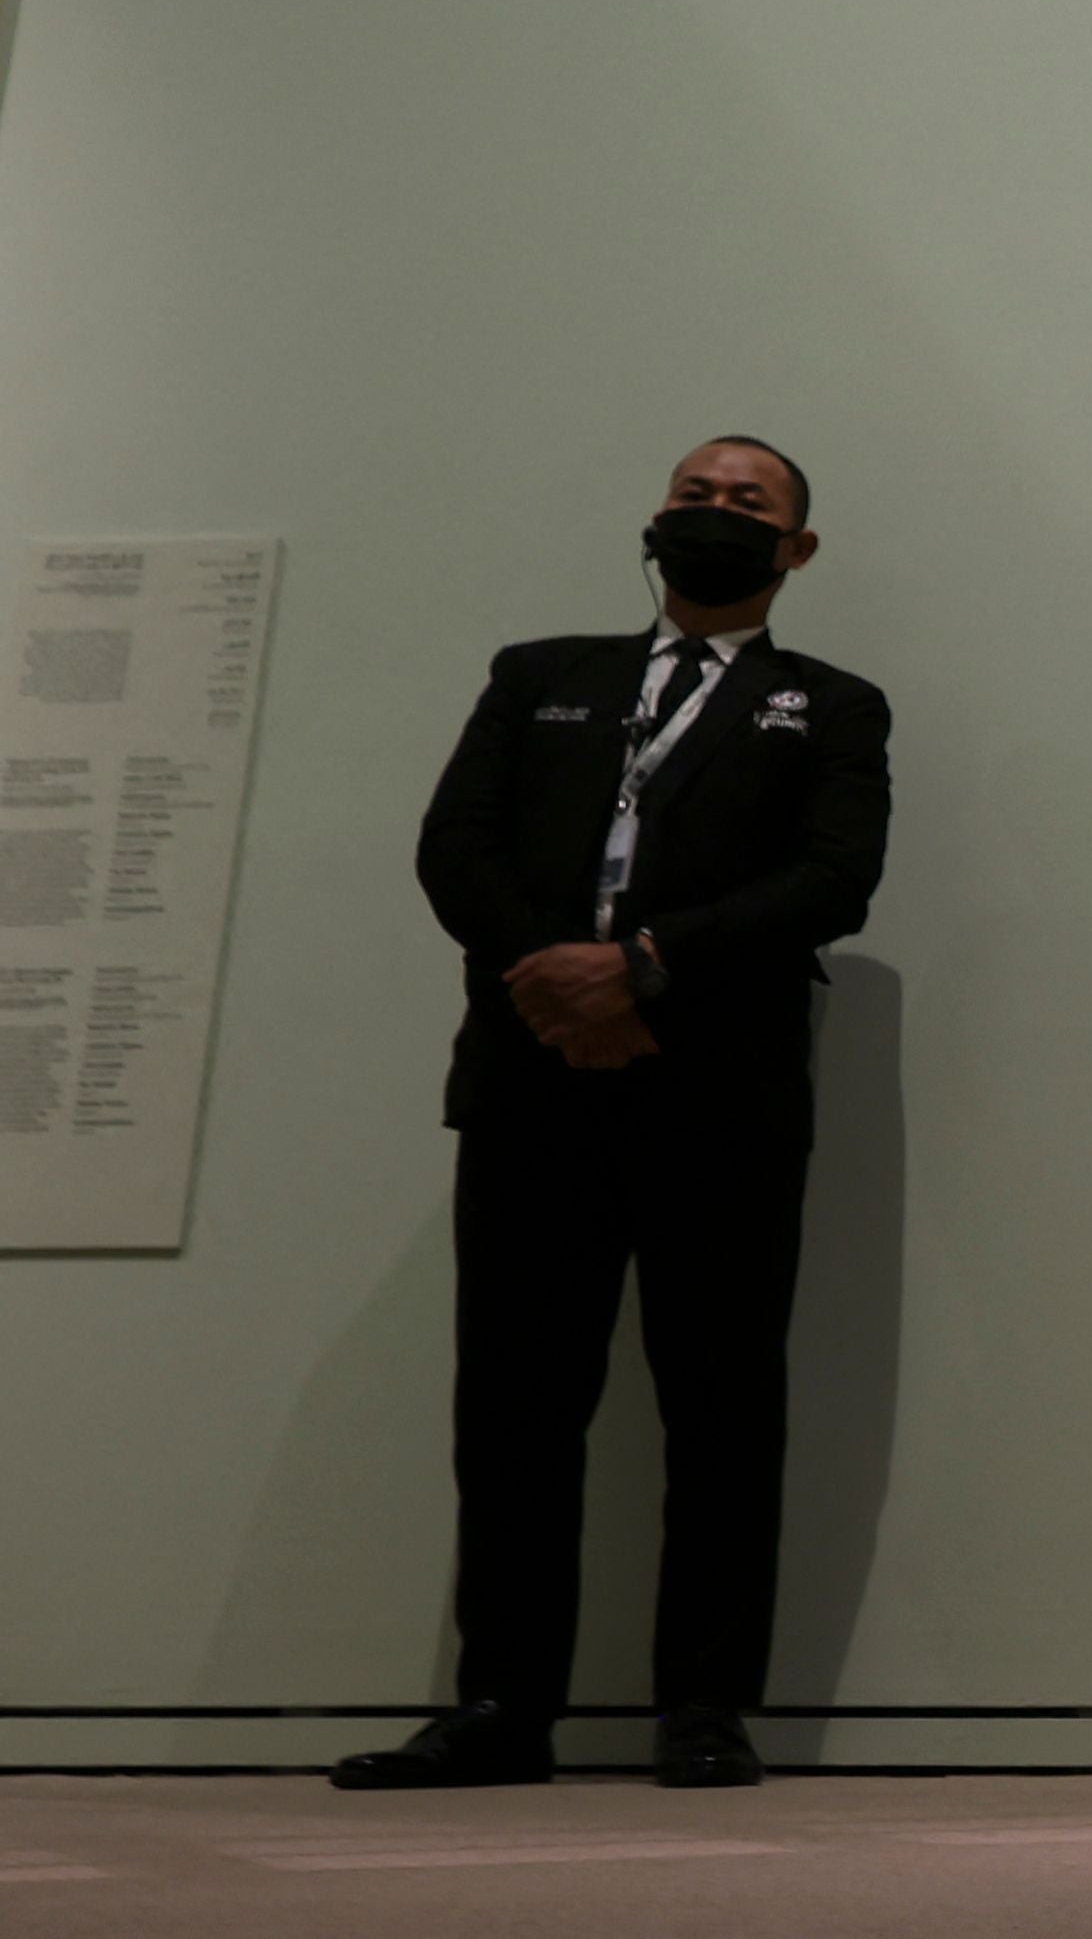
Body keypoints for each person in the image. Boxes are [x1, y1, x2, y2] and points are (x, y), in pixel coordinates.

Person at [332, 440, 894, 1794]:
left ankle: (703, 1704)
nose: (711, 512)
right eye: (694, 493)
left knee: (720, 1401)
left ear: (797, 551)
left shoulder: (831, 705)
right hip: (536, 1080)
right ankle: (501, 1706)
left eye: (746, 503)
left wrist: (644, 966)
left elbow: (833, 879)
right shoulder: (542, 677)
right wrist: (561, 981)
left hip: (725, 1097)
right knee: (517, 1403)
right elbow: (452, 848)